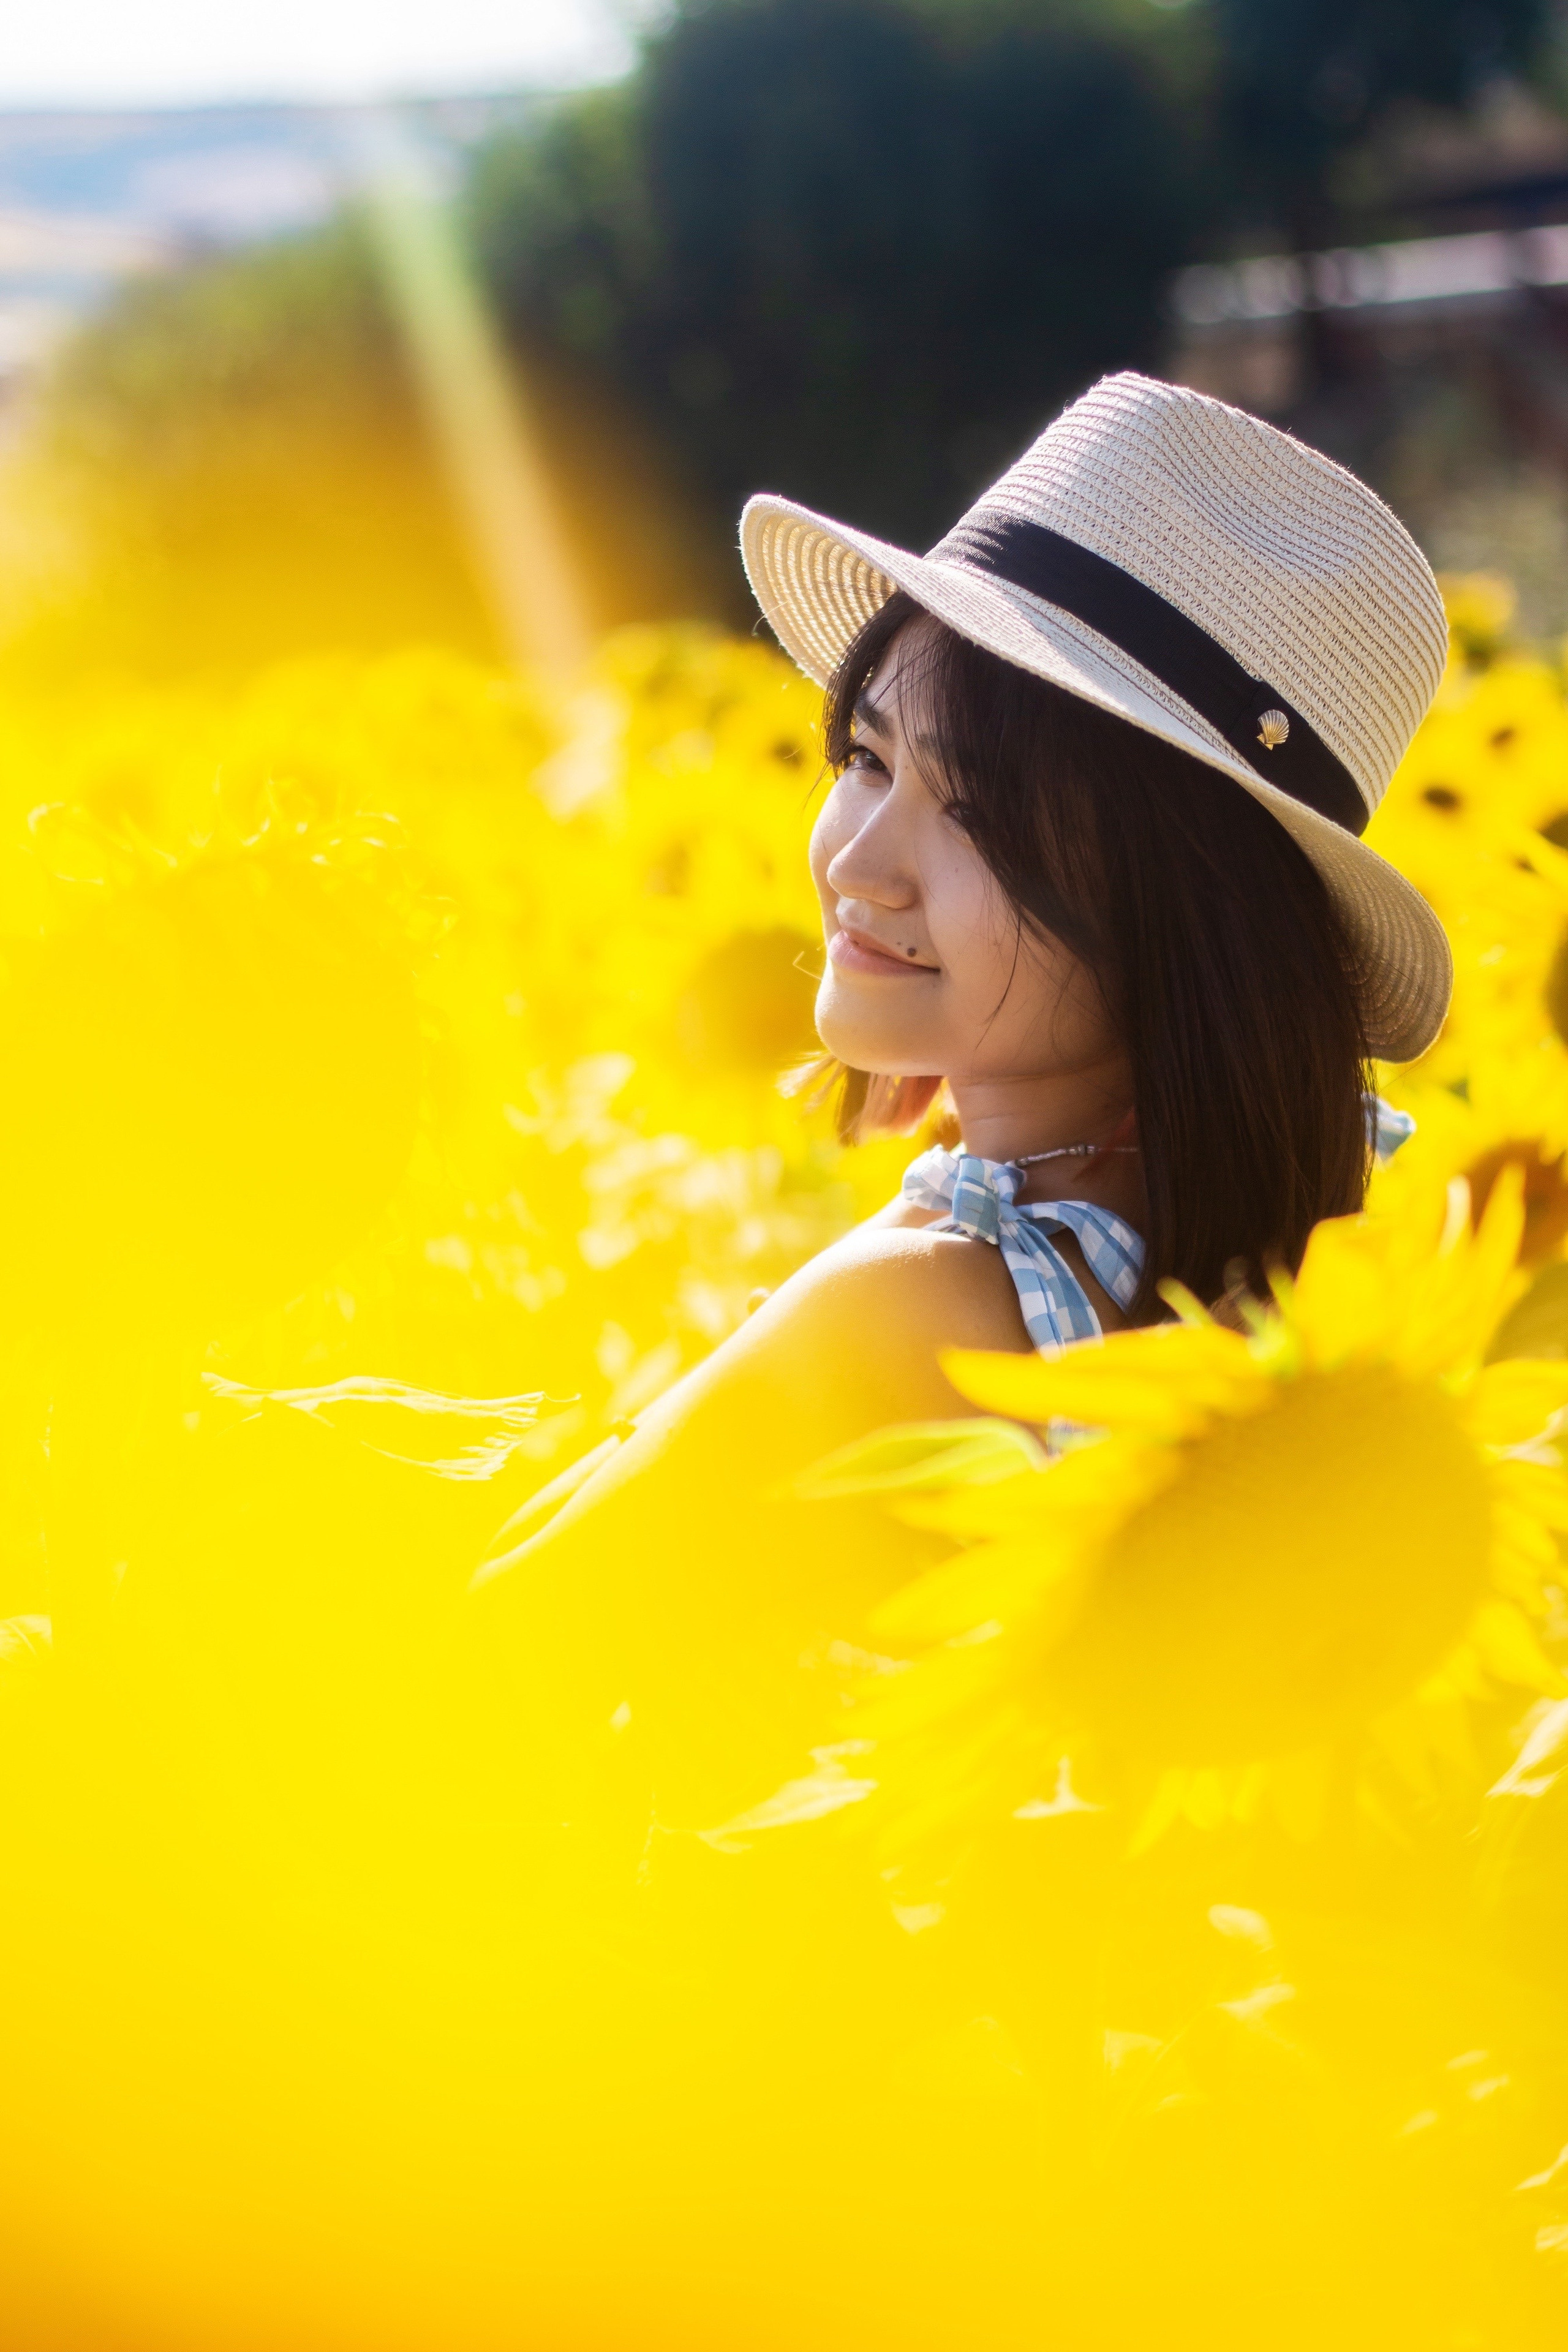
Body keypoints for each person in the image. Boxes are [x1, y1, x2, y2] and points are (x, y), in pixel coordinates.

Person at [470, 372, 1450, 1822]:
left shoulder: (911, 1315)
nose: (858, 861)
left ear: (1179, 918)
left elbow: (465, 1677)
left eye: (979, 817)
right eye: (865, 757)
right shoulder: (1369, 1271)